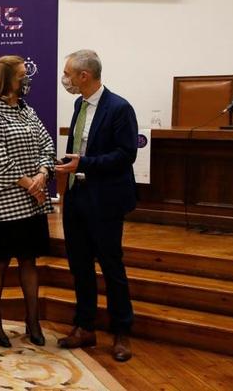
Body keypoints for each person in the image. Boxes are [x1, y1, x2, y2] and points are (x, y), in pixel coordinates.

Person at [54, 49, 137, 362]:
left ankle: (121, 331)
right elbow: (79, 149)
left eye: (69, 73)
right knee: (80, 266)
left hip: (106, 199)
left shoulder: (119, 108)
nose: (66, 79)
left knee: (111, 266)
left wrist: (84, 163)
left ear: (84, 76)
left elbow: (126, 154)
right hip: (77, 196)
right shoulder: (79, 104)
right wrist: (68, 165)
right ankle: (85, 326)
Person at [0, 55, 55, 348]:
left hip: (33, 200)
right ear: (7, 79)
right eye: (22, 75)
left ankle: (32, 321)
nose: (27, 80)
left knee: (29, 259)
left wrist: (43, 173)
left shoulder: (26, 110)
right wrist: (30, 184)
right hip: (5, 202)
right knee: (0, 260)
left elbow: (47, 143)